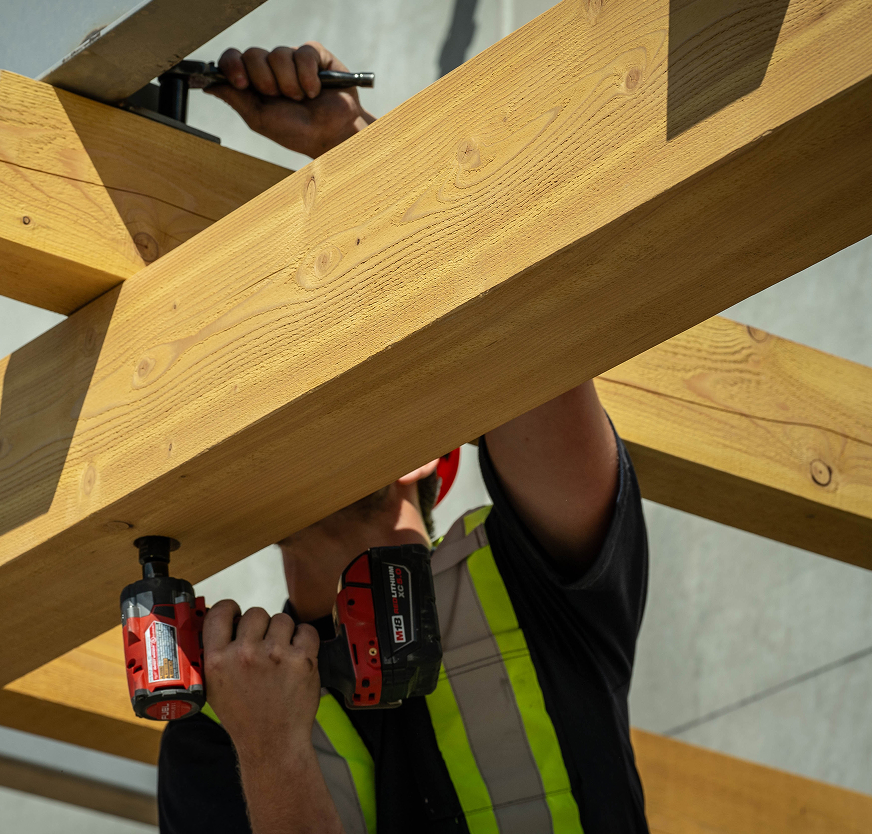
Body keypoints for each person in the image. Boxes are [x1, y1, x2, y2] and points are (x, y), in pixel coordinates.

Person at [156, 43, 651, 834]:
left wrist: (357, 150)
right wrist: (267, 748)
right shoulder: (222, 724)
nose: (291, 404)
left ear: (425, 452)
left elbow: (521, 318)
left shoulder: (538, 585)